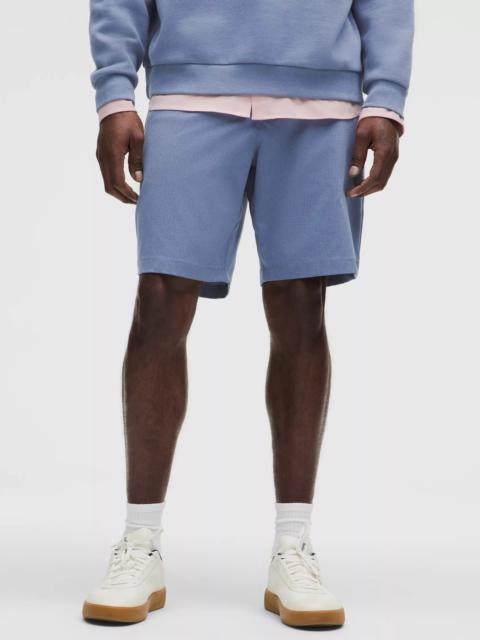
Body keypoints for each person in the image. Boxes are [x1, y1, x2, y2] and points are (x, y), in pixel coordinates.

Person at [83, 0, 413, 627]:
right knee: (160, 300)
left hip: (323, 106)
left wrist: (386, 98)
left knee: (301, 305)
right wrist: (115, 96)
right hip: (189, 93)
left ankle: (294, 546)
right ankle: (139, 542)